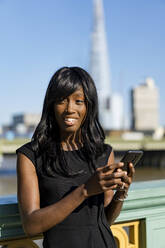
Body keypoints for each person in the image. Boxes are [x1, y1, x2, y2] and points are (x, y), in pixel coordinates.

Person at [16, 66, 135, 248]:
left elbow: (105, 220)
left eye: (79, 101)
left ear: (89, 106)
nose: (70, 109)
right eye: (62, 100)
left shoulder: (103, 153)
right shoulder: (30, 156)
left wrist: (121, 192)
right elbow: (31, 225)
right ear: (51, 105)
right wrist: (85, 190)